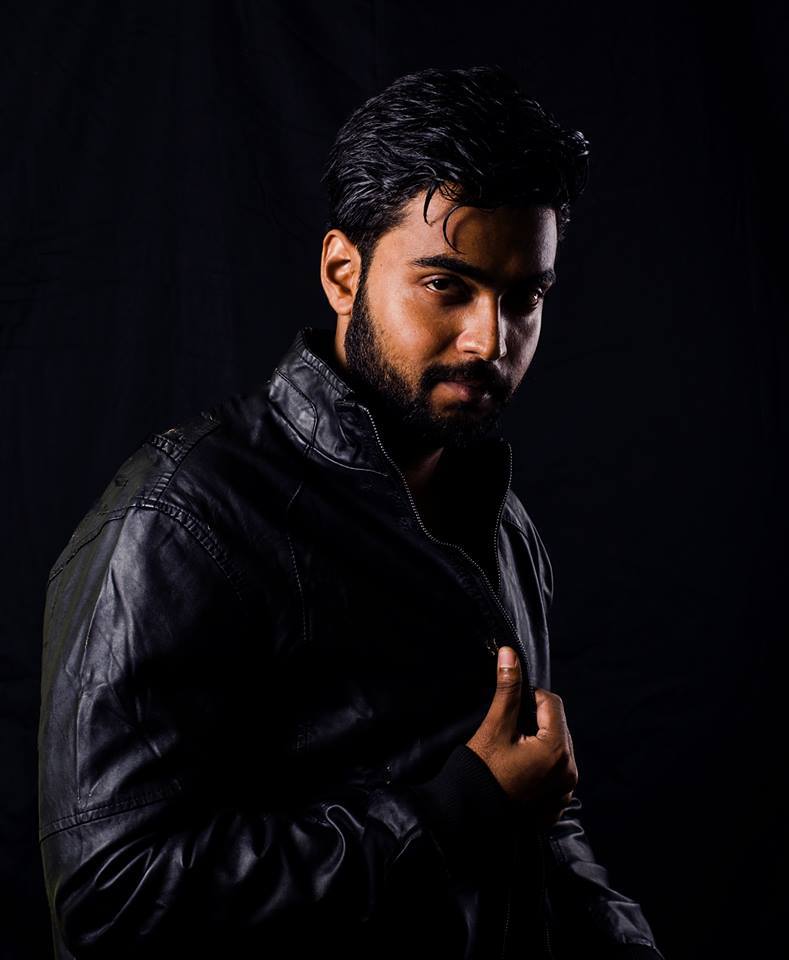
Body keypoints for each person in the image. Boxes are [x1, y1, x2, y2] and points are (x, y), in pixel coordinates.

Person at [38, 65, 665, 959]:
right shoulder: (183, 518)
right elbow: (112, 902)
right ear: (343, 272)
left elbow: (530, 815)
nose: (489, 339)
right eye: (447, 285)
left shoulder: (497, 518)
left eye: (523, 297)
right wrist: (455, 811)